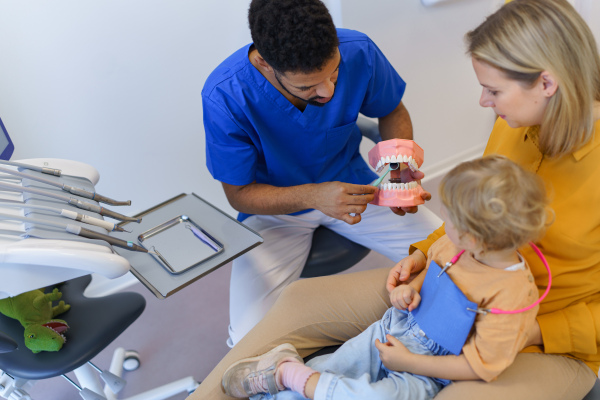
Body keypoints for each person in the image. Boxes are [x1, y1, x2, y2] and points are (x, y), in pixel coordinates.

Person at [188, 0, 600, 399]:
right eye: (484, 88)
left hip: (541, 326)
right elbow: (473, 222)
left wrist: (526, 329)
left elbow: (393, 111)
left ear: (546, 83)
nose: (483, 103)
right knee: (296, 306)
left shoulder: (358, 52)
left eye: (492, 90)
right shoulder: (515, 122)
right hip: (447, 287)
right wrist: (422, 255)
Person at [201, 0, 441, 347]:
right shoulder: (226, 96)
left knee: (453, 256)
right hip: (275, 212)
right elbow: (239, 194)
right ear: (265, 65)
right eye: (308, 87)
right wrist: (314, 196)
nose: (328, 91)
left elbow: (392, 109)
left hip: (358, 188)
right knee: (248, 340)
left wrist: (398, 172)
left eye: (334, 73)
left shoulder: (358, 50)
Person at [220, 155, 549, 400]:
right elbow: (434, 268)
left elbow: (481, 367)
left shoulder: (512, 296)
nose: (443, 227)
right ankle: (293, 378)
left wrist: (410, 362)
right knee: (336, 368)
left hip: (430, 368)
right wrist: (410, 289)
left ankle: (287, 375)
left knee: (376, 397)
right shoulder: (456, 245)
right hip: (393, 328)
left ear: (473, 237)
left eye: (450, 220)